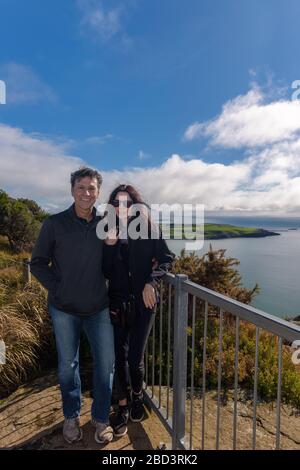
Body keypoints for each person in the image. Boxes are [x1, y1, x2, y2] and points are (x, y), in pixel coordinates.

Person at [30, 167, 115, 445]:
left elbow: (125, 257)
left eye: (92, 188)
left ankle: (101, 418)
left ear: (98, 192)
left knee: (106, 366)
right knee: (68, 366)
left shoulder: (106, 223)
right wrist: (58, 288)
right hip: (63, 308)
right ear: (72, 190)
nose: (86, 193)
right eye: (81, 187)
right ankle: (71, 415)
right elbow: (38, 263)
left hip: (98, 307)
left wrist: (152, 270)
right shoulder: (54, 224)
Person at [102, 184, 174, 437]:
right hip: (117, 303)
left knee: (135, 358)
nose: (123, 208)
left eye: (128, 203)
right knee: (118, 358)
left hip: (144, 303)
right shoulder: (106, 229)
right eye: (117, 203)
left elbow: (166, 257)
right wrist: (109, 246)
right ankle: (122, 407)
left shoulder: (148, 227)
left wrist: (151, 282)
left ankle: (136, 397)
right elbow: (105, 271)